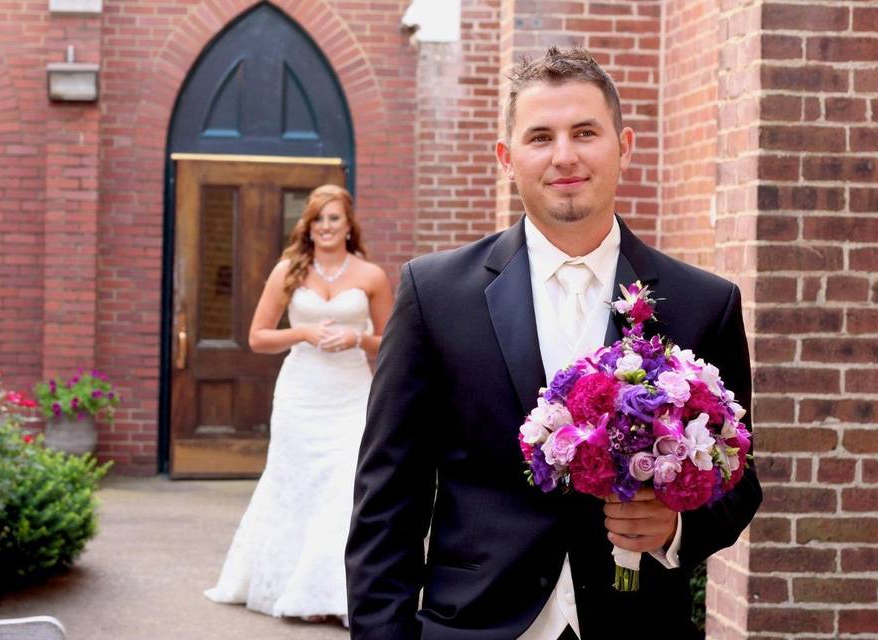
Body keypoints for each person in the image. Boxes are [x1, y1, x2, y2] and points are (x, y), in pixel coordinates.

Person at [345, 48, 762, 639]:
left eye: (585, 132)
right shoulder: (434, 295)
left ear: (625, 145)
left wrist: (673, 528)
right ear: (506, 157)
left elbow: (739, 477)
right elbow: (388, 500)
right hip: (472, 623)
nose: (564, 155)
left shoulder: (704, 303)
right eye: (540, 137)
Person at [205, 184, 393, 625]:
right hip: (301, 394)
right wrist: (303, 333)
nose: (325, 227)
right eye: (317, 220)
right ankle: (293, 588)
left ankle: (335, 594)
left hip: (349, 393)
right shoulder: (288, 270)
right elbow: (258, 337)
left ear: (348, 225)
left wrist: (357, 338)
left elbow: (392, 342)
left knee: (345, 486)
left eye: (333, 219)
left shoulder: (371, 276)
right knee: (296, 484)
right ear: (307, 228)